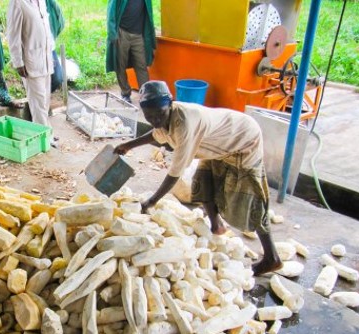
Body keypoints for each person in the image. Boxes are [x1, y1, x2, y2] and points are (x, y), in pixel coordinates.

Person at [114, 81, 282, 276]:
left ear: (170, 103)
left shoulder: (184, 123)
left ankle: (272, 257)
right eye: (149, 116)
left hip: (243, 138)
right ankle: (217, 226)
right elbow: (156, 134)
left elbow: (175, 173)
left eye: (159, 113)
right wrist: (128, 145)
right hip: (216, 144)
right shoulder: (163, 118)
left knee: (250, 196)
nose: (155, 119)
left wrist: (151, 201)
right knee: (202, 181)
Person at [6, 0, 54, 128]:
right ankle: (43, 138)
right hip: (30, 62)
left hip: (46, 60)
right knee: (38, 105)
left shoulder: (41, 1)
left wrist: (51, 50)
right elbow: (12, 35)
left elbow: (46, 28)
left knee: (45, 101)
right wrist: (18, 62)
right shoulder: (17, 3)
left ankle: (46, 133)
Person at [106, 0, 156, 104]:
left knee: (141, 66)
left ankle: (145, 95)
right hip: (122, 32)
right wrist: (113, 34)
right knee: (120, 65)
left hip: (138, 34)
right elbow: (111, 12)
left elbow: (149, 14)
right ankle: (125, 93)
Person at [46, 0, 65, 93]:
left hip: (49, 47)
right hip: (34, 50)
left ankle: (41, 101)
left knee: (57, 78)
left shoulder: (51, 4)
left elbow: (60, 22)